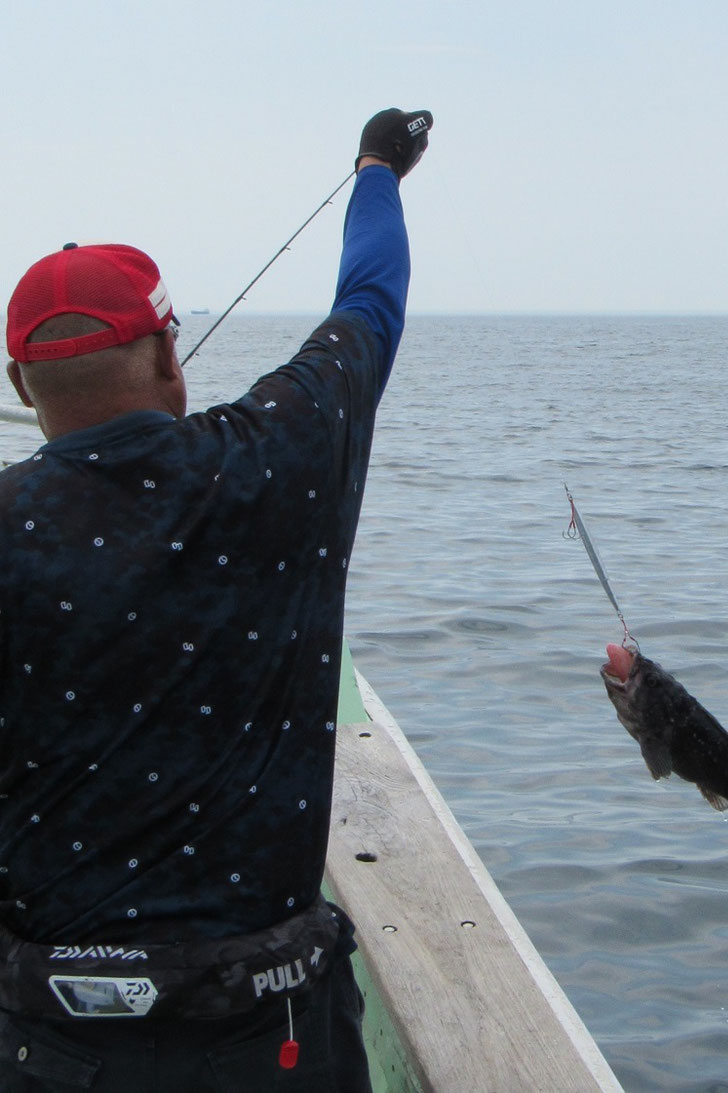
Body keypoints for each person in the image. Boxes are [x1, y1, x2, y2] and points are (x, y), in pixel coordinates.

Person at [0, 107, 432, 1092]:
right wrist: (376, 169)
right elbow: (370, 297)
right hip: (274, 1039)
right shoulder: (283, 453)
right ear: (166, 358)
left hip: (56, 1048)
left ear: (20, 381)